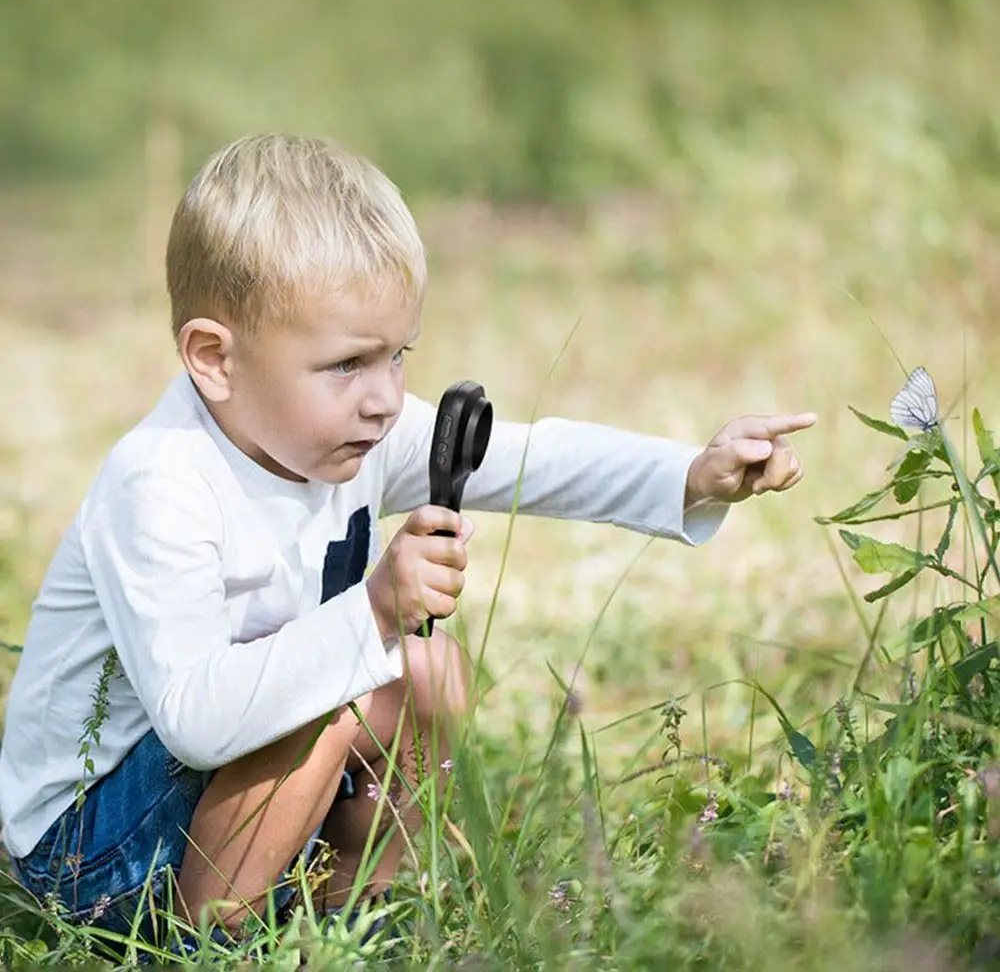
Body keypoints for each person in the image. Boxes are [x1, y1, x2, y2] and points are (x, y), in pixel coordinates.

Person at [0, 133, 816, 949]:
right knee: (359, 681)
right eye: (348, 363)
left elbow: (533, 457)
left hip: (218, 798)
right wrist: (374, 612)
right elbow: (195, 720)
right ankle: (211, 938)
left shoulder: (344, 434)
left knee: (428, 676)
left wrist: (689, 476)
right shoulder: (162, 483)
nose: (386, 399)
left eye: (399, 356)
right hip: (90, 849)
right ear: (215, 359)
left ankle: (351, 915)